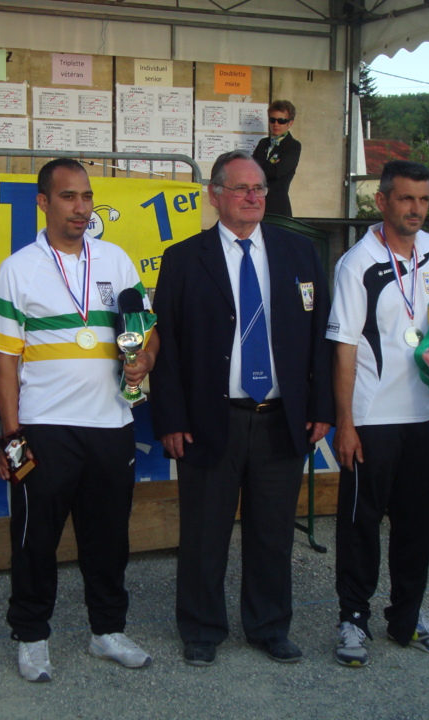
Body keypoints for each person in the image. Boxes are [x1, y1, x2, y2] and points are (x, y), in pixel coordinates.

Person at [0, 158, 158, 683]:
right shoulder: (19, 268)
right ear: (43, 202)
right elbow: (5, 361)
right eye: (68, 197)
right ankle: (32, 636)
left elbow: (146, 331)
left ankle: (108, 631)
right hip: (45, 428)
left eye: (86, 197)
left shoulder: (117, 261)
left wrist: (145, 358)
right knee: (36, 539)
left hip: (110, 424)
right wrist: (12, 435)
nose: (81, 208)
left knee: (108, 538)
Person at [150, 150, 333, 667]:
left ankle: (269, 626)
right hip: (212, 420)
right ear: (215, 195)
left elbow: (321, 336)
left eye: (260, 189)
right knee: (204, 534)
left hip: (281, 419)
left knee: (272, 533)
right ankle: (202, 630)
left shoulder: (300, 253)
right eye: (242, 189)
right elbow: (167, 347)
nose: (255, 197)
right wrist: (171, 419)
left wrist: (320, 405)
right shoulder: (184, 259)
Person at [327, 160, 429, 668]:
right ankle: (353, 619)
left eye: (424, 200)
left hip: (427, 411)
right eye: (407, 199)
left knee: (417, 523)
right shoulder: (356, 263)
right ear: (382, 201)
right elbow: (343, 347)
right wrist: (345, 422)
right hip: (373, 417)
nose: (416, 210)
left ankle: (407, 617)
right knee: (361, 522)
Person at [252, 100, 301, 217]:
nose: (276, 124)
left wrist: (259, 165)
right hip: (255, 205)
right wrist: (266, 166)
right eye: (272, 120)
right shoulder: (263, 143)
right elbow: (250, 168)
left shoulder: (293, 146)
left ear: (290, 123)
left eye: (281, 121)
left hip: (277, 208)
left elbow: (276, 172)